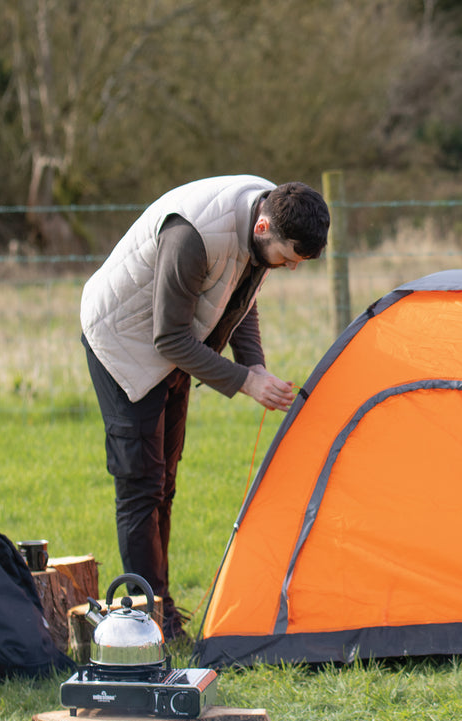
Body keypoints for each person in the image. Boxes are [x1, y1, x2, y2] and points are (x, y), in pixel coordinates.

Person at [80, 175, 330, 641]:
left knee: (165, 481)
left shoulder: (273, 212)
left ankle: (162, 612)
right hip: (125, 343)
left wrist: (254, 365)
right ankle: (145, 625)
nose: (290, 269)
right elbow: (168, 337)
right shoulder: (193, 236)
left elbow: (241, 300)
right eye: (289, 259)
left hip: (176, 346)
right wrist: (244, 382)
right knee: (141, 484)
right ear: (262, 228)